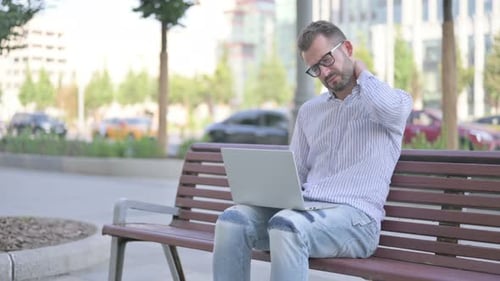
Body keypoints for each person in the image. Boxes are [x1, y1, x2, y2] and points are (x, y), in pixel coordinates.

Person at [212, 20, 413, 281]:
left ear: (348, 48)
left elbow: (392, 111)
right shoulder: (310, 111)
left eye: (327, 60)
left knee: (288, 226)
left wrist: (363, 73)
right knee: (233, 221)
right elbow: (296, 172)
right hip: (309, 212)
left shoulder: (390, 101)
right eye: (315, 68)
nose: (324, 73)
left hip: (357, 221)